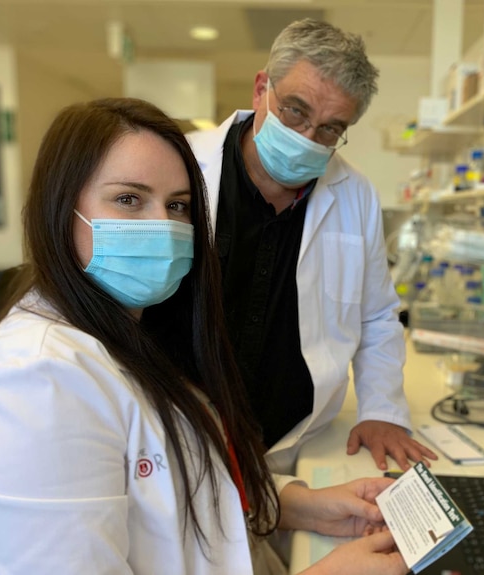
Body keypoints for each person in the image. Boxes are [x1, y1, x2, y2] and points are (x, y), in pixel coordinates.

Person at [0, 98, 408, 575]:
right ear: (61, 207)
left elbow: (178, 490)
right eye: (128, 199)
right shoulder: (32, 384)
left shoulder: (134, 334)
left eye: (178, 205)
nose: (161, 225)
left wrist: (298, 504)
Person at [143, 18, 438, 475]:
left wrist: (383, 410)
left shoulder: (354, 193)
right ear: (262, 88)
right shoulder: (182, 167)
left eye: (329, 129)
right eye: (295, 111)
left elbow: (377, 315)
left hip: (292, 445)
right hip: (175, 435)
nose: (307, 138)